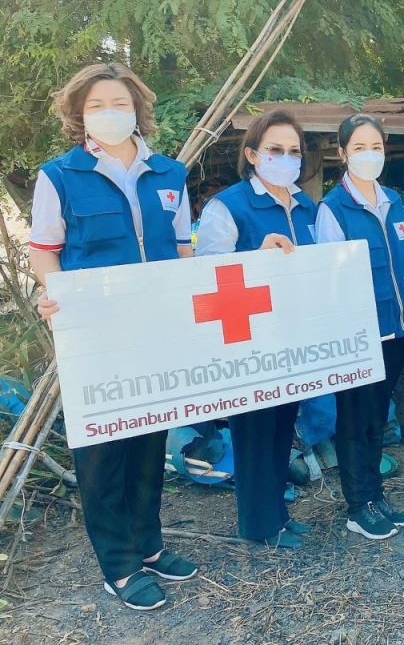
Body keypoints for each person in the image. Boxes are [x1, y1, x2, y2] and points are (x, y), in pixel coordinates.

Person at [29, 63, 197, 611]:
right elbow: (44, 249)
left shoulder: (170, 173)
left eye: (120, 103)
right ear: (79, 114)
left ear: (138, 109)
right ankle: (119, 566)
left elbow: (182, 247)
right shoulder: (60, 175)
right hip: (95, 333)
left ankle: (149, 545)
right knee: (103, 448)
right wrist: (53, 295)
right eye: (97, 104)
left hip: (156, 329)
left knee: (149, 439)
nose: (109, 113)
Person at [195, 109, 316, 549]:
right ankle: (259, 525)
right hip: (247, 340)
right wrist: (256, 257)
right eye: (274, 150)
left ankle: (278, 514)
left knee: (283, 427)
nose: (285, 159)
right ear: (252, 154)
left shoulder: (306, 206)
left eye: (293, 152)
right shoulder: (228, 205)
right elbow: (206, 274)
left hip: (292, 337)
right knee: (253, 434)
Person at [317, 114, 404, 541]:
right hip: (358, 334)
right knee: (355, 419)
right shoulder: (333, 208)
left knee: (377, 418)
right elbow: (330, 281)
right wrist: (345, 335)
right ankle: (358, 506)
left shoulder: (394, 201)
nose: (369, 154)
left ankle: (376, 496)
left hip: (395, 329)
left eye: (375, 146)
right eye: (359, 147)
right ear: (343, 154)